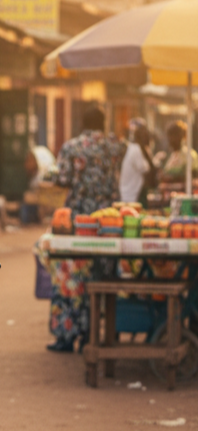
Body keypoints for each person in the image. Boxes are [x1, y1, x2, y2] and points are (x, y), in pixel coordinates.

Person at [49, 106, 124, 353]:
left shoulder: (72, 147)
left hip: (79, 219)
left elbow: (62, 179)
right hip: (108, 220)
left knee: (71, 275)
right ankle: (100, 333)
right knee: (104, 273)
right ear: (103, 123)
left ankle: (67, 335)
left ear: (83, 122)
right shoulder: (115, 146)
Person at [120, 119, 155, 204]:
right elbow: (145, 168)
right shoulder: (135, 149)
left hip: (130, 193)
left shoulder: (133, 148)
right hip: (131, 195)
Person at [158, 120, 198, 185]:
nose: (170, 140)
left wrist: (171, 178)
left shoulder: (189, 154)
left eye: (173, 136)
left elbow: (191, 177)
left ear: (181, 136)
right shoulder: (170, 155)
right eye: (169, 136)